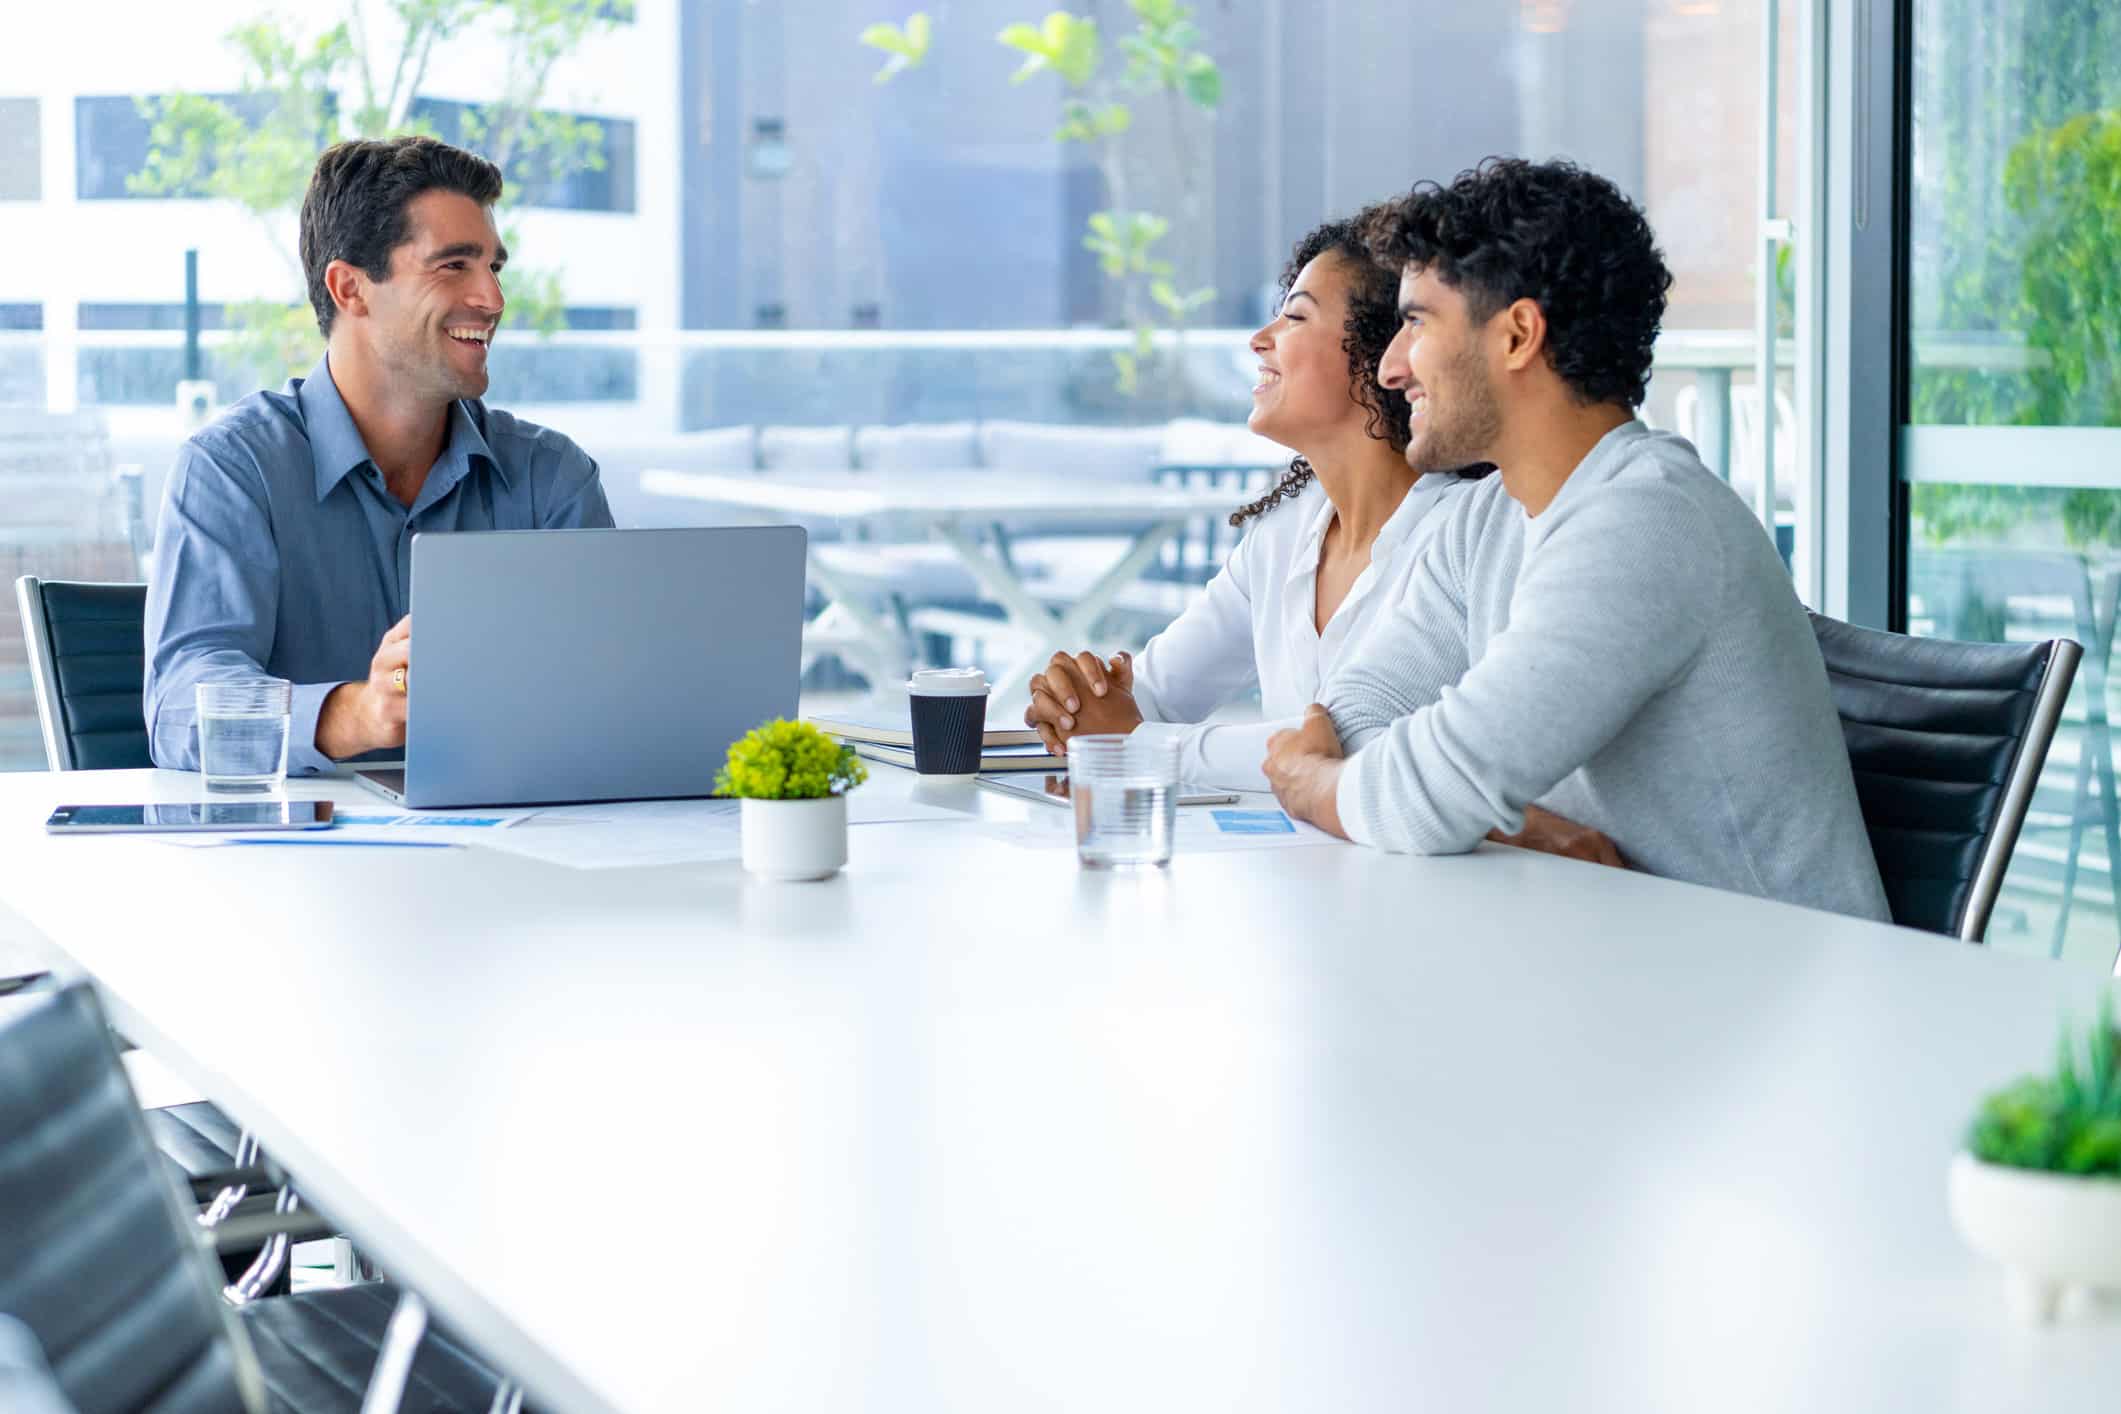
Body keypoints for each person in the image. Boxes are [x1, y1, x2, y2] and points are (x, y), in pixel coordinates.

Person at [1263, 158, 1889, 920]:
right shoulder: (1485, 517)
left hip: (1766, 991)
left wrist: (1313, 782)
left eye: (1417, 322)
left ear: (1518, 334)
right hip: (1621, 956)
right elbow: (1358, 711)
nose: (1391, 368)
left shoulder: (1647, 522)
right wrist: (1504, 818)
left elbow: (1426, 787)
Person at [144, 136, 614, 773]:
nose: (493, 299)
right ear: (350, 288)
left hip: (522, 844)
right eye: (454, 265)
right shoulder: (233, 469)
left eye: (494, 267)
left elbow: (610, 695)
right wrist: (357, 713)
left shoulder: (550, 478)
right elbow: (182, 704)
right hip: (300, 860)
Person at [1022, 212, 1486, 790]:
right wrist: (1076, 702)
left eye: (1295, 317)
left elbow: (1352, 749)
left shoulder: (1463, 533)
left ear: (1378, 356)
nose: (1259, 339)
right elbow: (1159, 693)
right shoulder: (1287, 534)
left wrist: (1134, 742)